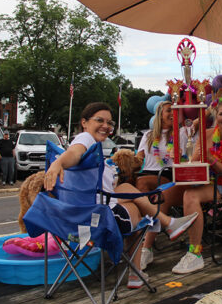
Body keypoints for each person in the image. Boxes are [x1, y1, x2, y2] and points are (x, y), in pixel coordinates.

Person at [44, 102, 198, 288]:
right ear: (84, 123)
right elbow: (74, 153)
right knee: (136, 211)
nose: (106, 126)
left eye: (109, 122)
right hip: (96, 221)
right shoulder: (85, 139)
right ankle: (139, 268)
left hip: (70, 220)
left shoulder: (91, 145)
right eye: (99, 120)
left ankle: (165, 228)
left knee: (128, 190)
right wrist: (58, 163)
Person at [143, 99, 222, 274]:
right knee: (163, 194)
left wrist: (211, 159)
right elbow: (195, 161)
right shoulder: (206, 134)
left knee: (190, 196)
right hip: (201, 181)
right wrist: (184, 161)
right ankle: (146, 250)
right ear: (216, 116)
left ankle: (195, 253)